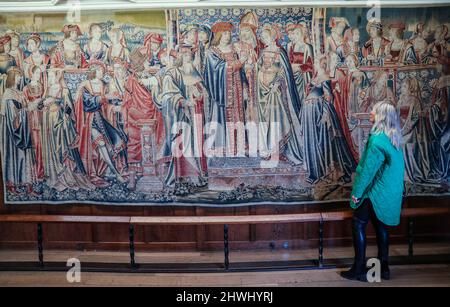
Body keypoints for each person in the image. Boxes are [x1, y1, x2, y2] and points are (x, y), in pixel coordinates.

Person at [341, 101, 405, 282]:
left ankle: (359, 270)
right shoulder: (394, 138)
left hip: (376, 192)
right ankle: (382, 269)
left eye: (374, 111)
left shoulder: (376, 140)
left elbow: (368, 170)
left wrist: (357, 193)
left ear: (380, 116)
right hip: (391, 192)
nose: (370, 112)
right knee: (380, 227)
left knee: (358, 224)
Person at [300, 56, 357, 184]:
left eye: (315, 61)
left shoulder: (325, 77)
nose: (313, 63)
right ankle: (315, 172)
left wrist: (325, 114)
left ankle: (328, 171)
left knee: (324, 142)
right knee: (313, 141)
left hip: (319, 112)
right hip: (310, 113)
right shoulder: (315, 77)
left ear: (321, 63)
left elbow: (329, 96)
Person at [41, 69, 95, 191]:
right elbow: (42, 104)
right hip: (49, 123)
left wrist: (55, 102)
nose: (49, 79)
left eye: (51, 76)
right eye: (48, 77)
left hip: (62, 127)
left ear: (57, 77)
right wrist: (43, 104)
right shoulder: (48, 90)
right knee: (52, 150)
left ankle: (68, 177)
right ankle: (54, 177)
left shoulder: (64, 91)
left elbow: (69, 110)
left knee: (64, 151)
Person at [203, 22, 246, 157]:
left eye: (229, 33)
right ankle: (223, 148)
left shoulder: (234, 49)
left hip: (237, 91)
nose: (227, 36)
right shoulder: (212, 51)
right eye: (225, 33)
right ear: (219, 34)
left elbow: (242, 72)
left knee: (238, 117)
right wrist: (239, 63)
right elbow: (216, 69)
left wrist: (244, 87)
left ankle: (239, 148)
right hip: (221, 93)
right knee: (222, 118)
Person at [1, 67, 40, 196]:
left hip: (23, 130)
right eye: (17, 76)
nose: (20, 78)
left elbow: (26, 107)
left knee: (25, 157)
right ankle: (12, 185)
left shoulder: (18, 92)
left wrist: (38, 103)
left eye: (20, 76)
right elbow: (13, 116)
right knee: (15, 156)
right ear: (12, 78)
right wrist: (27, 110)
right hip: (14, 133)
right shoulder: (8, 94)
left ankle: (28, 186)